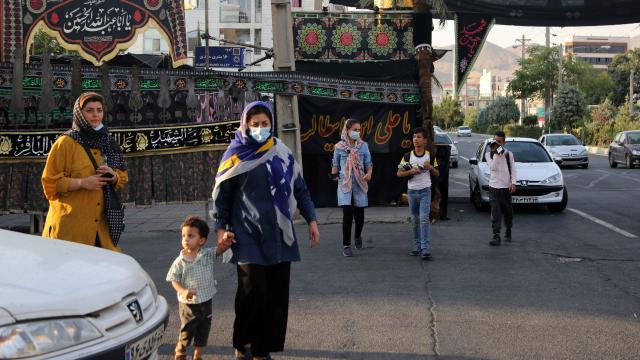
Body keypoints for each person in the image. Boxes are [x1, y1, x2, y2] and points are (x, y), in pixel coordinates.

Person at [212, 101, 320, 360]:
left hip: (279, 233)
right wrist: (220, 230)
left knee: (274, 295)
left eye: (265, 123)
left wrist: (312, 220)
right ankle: (242, 342)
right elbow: (223, 197)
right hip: (246, 232)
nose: (260, 128)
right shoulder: (235, 155)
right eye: (255, 124)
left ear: (271, 124)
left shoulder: (281, 152)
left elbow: (299, 188)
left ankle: (261, 349)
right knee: (252, 291)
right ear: (246, 125)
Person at [41, 92, 128, 251]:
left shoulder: (108, 142)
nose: (96, 115)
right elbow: (50, 183)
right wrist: (82, 183)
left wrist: (113, 175)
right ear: (79, 114)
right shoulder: (65, 143)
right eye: (89, 110)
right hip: (71, 229)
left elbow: (123, 176)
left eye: (99, 110)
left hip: (101, 229)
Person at [167, 216, 220, 360]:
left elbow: (219, 250)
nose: (185, 239)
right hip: (188, 304)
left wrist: (225, 241)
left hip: (206, 299)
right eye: (183, 235)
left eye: (190, 236)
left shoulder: (207, 255)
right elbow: (173, 279)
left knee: (204, 329)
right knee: (187, 329)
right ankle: (181, 346)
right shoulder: (180, 261)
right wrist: (183, 291)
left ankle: (198, 354)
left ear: (201, 240)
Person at [330, 118, 373, 257]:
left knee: (359, 215)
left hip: (360, 181)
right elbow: (335, 164)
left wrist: (369, 173)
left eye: (359, 130)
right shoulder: (339, 147)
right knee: (347, 214)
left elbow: (369, 163)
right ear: (347, 130)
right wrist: (334, 175)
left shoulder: (363, 146)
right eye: (355, 130)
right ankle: (346, 245)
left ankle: (358, 236)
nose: (357, 132)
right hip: (345, 183)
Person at [397, 127, 440, 260]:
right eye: (414, 137)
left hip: (425, 191)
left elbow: (438, 173)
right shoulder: (407, 156)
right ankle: (416, 247)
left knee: (423, 219)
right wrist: (410, 172)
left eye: (419, 137)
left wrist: (431, 167)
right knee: (415, 220)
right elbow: (398, 173)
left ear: (425, 140)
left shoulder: (430, 156)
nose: (416, 139)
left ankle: (425, 248)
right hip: (412, 192)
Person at [485, 130, 517, 246]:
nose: (496, 144)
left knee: (508, 212)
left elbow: (513, 169)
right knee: (496, 213)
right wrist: (496, 154)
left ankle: (508, 229)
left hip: (505, 188)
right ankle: (496, 236)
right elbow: (493, 167)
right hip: (494, 188)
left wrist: (513, 183)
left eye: (499, 142)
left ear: (503, 142)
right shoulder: (488, 155)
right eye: (495, 141)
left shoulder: (509, 155)